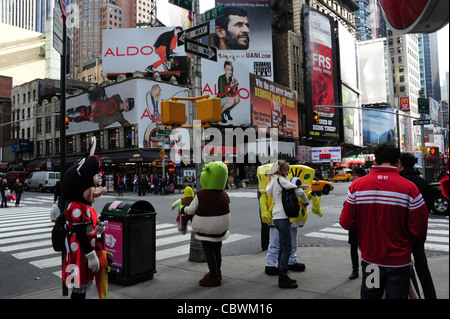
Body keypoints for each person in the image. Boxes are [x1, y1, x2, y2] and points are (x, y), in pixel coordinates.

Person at [340, 143, 429, 299]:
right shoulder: (410, 188)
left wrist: (365, 225)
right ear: (398, 162)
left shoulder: (357, 186)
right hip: (399, 263)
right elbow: (420, 229)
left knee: (371, 295)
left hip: (371, 262)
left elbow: (346, 222)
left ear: (375, 160)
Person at [181, 162, 230, 287]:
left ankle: (213, 276)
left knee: (209, 252)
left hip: (206, 229)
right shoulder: (224, 194)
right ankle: (217, 272)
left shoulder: (201, 195)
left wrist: (182, 209)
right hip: (221, 229)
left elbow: (191, 210)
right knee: (217, 250)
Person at [398, 152, 436, 299]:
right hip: (419, 231)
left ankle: (415, 295)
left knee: (407, 266)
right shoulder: (422, 181)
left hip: (402, 232)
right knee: (422, 265)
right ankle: (430, 295)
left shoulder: (400, 182)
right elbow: (430, 205)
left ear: (400, 164)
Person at [265, 160, 308, 289]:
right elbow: (298, 192)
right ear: (281, 170)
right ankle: (283, 277)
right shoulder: (281, 180)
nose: (287, 172)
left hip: (276, 217)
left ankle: (282, 273)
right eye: (286, 170)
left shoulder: (272, 180)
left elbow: (268, 192)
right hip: (283, 217)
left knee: (282, 246)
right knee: (287, 248)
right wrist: (305, 201)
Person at [346, 166, 366, 280]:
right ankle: (355, 270)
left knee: (366, 248)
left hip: (365, 223)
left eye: (355, 175)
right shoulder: (351, 187)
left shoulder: (367, 187)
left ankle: (366, 269)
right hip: (354, 223)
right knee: (353, 247)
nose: (353, 177)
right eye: (352, 175)